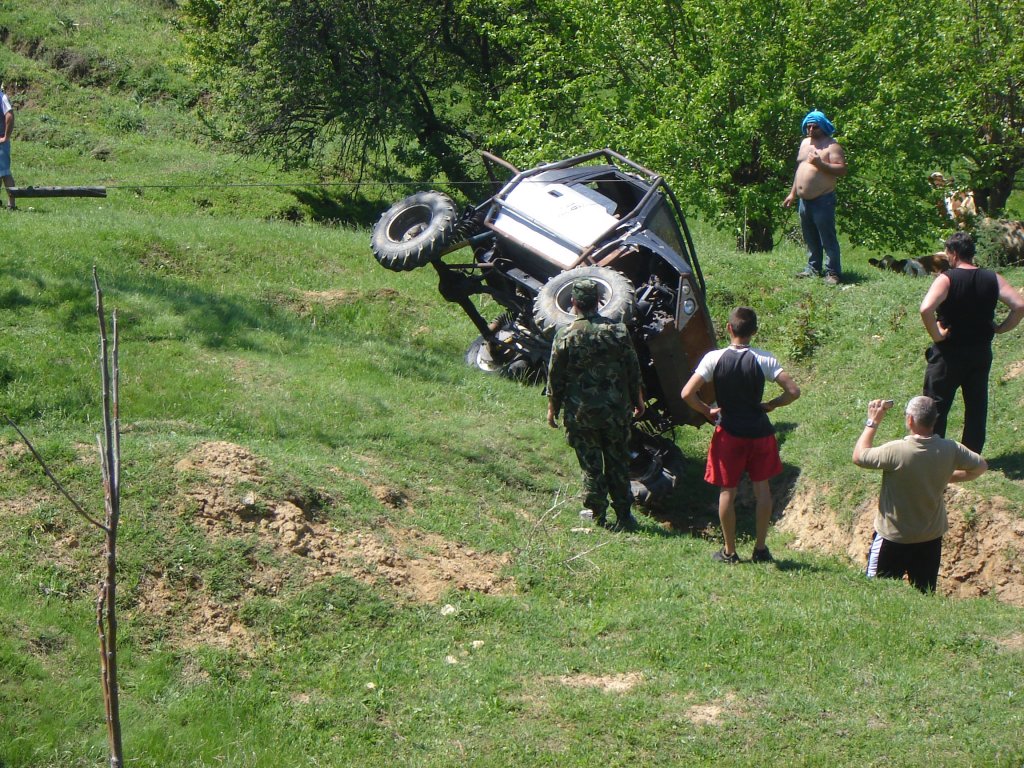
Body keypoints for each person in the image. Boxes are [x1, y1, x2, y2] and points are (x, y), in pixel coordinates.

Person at [681, 307, 800, 563]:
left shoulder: (714, 358)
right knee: (763, 491)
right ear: (754, 332)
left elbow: (687, 394)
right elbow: (793, 390)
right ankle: (760, 549)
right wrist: (773, 404)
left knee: (728, 491)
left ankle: (729, 551)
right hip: (760, 432)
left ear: (728, 328)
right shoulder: (764, 359)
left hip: (729, 433)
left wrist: (707, 411)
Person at [853, 396, 987, 593]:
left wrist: (873, 421)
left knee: (877, 593)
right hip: (930, 540)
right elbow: (980, 467)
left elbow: (859, 456)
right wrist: (945, 476)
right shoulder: (951, 449)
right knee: (924, 596)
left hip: (893, 539)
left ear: (910, 420)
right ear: (935, 420)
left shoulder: (897, 450)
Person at [546, 278, 645, 532]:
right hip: (615, 412)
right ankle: (624, 516)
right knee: (618, 462)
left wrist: (552, 408)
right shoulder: (618, 332)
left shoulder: (565, 334)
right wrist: (638, 399)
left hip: (582, 414)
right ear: (599, 302)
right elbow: (632, 369)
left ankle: (596, 514)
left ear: (573, 303)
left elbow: (555, 375)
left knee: (591, 465)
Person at [920, 231, 1024, 453]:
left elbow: (926, 308)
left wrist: (936, 335)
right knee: (976, 405)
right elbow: (1019, 306)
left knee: (936, 404)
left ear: (954, 253)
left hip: (948, 353)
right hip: (980, 352)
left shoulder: (946, 279)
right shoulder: (992, 278)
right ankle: (971, 456)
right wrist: (1001, 328)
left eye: (947, 252)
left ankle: (932, 453)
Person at [783, 109, 847, 285]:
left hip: (823, 199)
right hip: (805, 201)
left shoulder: (832, 146)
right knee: (810, 236)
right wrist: (793, 193)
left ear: (823, 127)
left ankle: (833, 272)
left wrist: (820, 163)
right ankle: (813, 268)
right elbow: (800, 170)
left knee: (827, 237)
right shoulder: (805, 143)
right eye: (808, 126)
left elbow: (841, 169)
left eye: (815, 127)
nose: (811, 130)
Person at [0, 85, 14, 211]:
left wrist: (5, 137)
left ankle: (11, 204)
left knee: (4, 173)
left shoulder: (2, 97)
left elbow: (9, 115)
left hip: (1, 142)